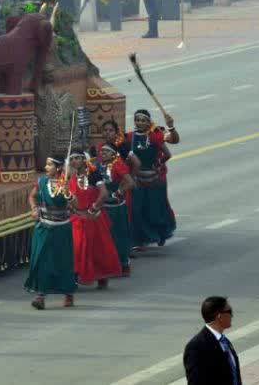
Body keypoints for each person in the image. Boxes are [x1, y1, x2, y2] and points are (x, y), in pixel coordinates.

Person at [25, 157, 78, 309]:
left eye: (50, 165)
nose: (46, 167)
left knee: (63, 261)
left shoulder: (67, 183)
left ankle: (68, 293)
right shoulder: (42, 182)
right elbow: (32, 196)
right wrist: (34, 208)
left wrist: (68, 194)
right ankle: (40, 296)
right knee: (40, 260)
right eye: (46, 164)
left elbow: (76, 203)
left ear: (59, 167)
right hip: (43, 227)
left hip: (61, 229)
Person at [67, 153, 122, 288]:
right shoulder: (71, 178)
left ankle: (101, 276)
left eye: (77, 158)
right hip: (77, 219)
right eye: (72, 159)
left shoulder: (93, 175)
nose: (74, 161)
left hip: (93, 218)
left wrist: (93, 208)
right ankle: (76, 275)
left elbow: (104, 193)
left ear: (84, 160)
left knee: (97, 250)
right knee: (77, 248)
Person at [127, 109, 179, 249]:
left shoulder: (155, 135)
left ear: (148, 122)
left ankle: (161, 233)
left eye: (143, 120)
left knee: (155, 210)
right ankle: (140, 240)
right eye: (137, 120)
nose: (140, 123)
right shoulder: (129, 137)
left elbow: (170, 149)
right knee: (138, 209)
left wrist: (171, 126)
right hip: (138, 179)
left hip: (155, 179)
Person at [93, 144, 134, 276]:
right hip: (102, 207)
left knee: (119, 236)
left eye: (107, 151)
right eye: (102, 150)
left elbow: (130, 182)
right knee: (105, 238)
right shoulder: (96, 166)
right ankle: (107, 266)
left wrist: (118, 192)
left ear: (114, 154)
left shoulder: (117, 165)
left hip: (116, 208)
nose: (103, 152)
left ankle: (124, 263)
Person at [182, 296, 240, 385]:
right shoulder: (196, 347)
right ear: (220, 316)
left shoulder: (225, 342)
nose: (232, 315)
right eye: (229, 311)